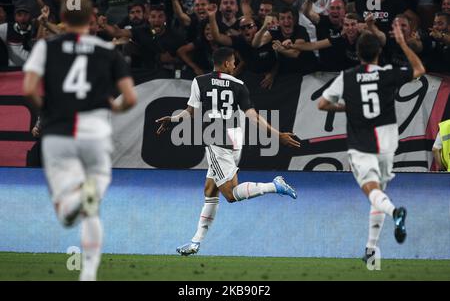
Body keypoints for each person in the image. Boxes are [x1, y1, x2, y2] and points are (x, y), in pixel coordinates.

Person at [22, 0, 137, 280]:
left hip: (58, 132)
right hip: (94, 132)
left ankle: (72, 203)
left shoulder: (46, 48)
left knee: (65, 213)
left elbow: (28, 88)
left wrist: (47, 110)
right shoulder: (107, 51)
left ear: (62, 19)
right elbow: (130, 99)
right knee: (92, 207)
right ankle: (87, 274)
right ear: (92, 19)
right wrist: (114, 104)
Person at [156, 47, 301, 256]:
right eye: (233, 62)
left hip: (216, 142)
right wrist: (277, 134)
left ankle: (274, 186)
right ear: (225, 64)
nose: (234, 65)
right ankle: (195, 242)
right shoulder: (239, 85)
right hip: (235, 141)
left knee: (231, 195)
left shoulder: (200, 81)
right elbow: (253, 116)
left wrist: (173, 120)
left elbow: (190, 113)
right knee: (210, 191)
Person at [317, 23, 425, 266]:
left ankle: (395, 212)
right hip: (387, 142)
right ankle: (371, 250)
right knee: (378, 194)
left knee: (372, 192)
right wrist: (403, 44)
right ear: (378, 53)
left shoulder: (347, 77)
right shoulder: (387, 73)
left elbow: (322, 104)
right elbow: (419, 69)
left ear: (357, 53)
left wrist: (345, 106)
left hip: (361, 142)